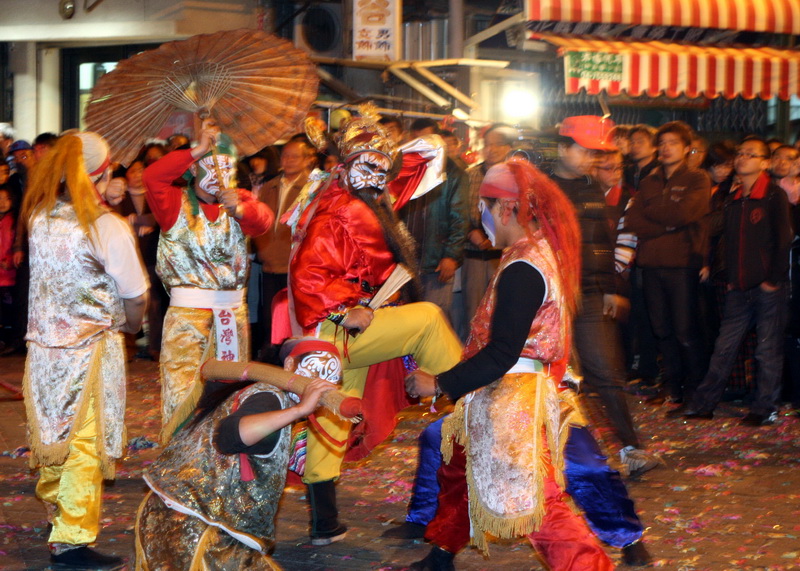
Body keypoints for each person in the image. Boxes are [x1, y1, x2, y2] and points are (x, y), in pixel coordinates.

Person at [405, 160, 614, 570]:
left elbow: (502, 353)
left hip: (513, 401)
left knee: (537, 504)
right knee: (458, 467)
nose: (478, 218)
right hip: (502, 392)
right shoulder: (530, 252)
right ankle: (440, 555)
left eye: (482, 207)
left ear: (505, 208)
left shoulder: (524, 267)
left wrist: (440, 383)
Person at [289, 106, 463, 546]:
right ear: (345, 167)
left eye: (383, 170)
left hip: (346, 333)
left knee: (334, 416)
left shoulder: (369, 199)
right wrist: (342, 310)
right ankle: (470, 394)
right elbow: (306, 275)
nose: (378, 177)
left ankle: (324, 523)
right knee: (428, 318)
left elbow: (428, 153)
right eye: (367, 167)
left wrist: (385, 148)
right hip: (337, 332)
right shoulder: (337, 210)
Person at [21, 131, 148, 569]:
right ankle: (71, 541)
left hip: (43, 350)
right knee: (85, 444)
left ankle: (58, 519)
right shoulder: (106, 226)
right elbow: (135, 296)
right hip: (90, 351)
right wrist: (131, 326)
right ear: (101, 173)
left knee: (52, 437)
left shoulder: (39, 217)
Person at [135, 337, 339, 569]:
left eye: (333, 378)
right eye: (317, 371)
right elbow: (230, 437)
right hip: (198, 529)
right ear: (290, 364)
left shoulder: (260, 392)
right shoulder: (270, 398)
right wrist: (300, 409)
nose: (323, 384)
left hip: (171, 517)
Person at [143, 119, 274, 443]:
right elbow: (152, 177)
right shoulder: (174, 202)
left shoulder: (239, 200)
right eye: (213, 165)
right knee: (183, 388)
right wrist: (197, 149)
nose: (220, 173)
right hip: (188, 317)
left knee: (229, 387)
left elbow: (264, 222)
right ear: (194, 169)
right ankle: (180, 450)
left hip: (231, 316)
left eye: (228, 166)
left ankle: (223, 450)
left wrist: (239, 209)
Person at [549, 116, 658, 476]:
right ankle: (545, 455)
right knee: (550, 374)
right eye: (584, 151)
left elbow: (601, 243)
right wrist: (559, 287)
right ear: (562, 148)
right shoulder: (542, 187)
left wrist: (610, 288)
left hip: (593, 293)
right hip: (552, 295)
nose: (590, 159)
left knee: (606, 372)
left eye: (594, 153)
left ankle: (631, 449)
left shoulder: (591, 186)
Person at [669, 136, 792, 426]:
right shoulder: (735, 198)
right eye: (740, 153)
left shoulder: (773, 195)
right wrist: (733, 279)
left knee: (766, 350)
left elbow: (783, 239)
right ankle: (704, 404)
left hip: (768, 288)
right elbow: (728, 242)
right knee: (724, 347)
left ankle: (764, 408)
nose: (742, 158)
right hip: (738, 287)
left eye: (751, 154)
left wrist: (772, 280)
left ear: (765, 163)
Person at [624, 121, 711, 409]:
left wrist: (655, 216)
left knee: (685, 331)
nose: (666, 148)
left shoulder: (697, 178)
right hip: (651, 263)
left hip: (682, 263)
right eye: (662, 143)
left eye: (673, 143)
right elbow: (633, 220)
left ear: (686, 148)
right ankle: (672, 386)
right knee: (661, 329)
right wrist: (666, 225)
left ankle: (695, 390)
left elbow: (684, 213)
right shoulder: (649, 180)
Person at [253, 138, 318, 362]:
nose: (288, 160)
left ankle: (296, 356)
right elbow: (260, 222)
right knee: (269, 312)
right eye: (285, 156)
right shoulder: (270, 186)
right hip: (270, 260)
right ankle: (271, 356)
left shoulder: (313, 187)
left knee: (294, 314)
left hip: (298, 263)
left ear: (308, 159)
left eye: (294, 156)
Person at [398, 118, 468, 320]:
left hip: (436, 261)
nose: (421, 145)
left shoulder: (453, 173)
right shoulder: (405, 169)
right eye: (416, 140)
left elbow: (460, 218)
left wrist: (451, 256)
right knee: (406, 318)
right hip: (406, 261)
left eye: (426, 139)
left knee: (435, 317)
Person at [453, 124, 513, 340]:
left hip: (504, 255)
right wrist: (472, 232)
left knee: (503, 309)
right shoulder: (470, 175)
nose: (491, 149)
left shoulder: (515, 177)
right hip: (474, 254)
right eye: (487, 144)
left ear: (508, 148)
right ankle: (471, 351)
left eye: (498, 144)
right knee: (474, 310)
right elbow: (458, 211)